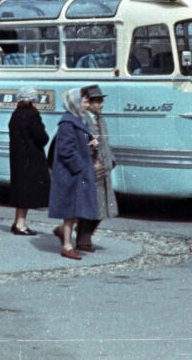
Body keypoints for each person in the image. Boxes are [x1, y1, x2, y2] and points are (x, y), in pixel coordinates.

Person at [48, 88, 99, 260]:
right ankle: (67, 246)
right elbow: (66, 150)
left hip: (77, 173)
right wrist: (80, 166)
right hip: (71, 175)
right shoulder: (67, 123)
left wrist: (90, 145)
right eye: (84, 102)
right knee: (71, 212)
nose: (86, 105)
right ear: (75, 103)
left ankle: (65, 236)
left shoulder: (77, 120)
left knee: (76, 210)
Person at [78, 84, 118, 252]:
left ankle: (84, 235)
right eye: (98, 101)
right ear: (89, 103)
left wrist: (112, 159)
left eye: (102, 101)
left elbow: (105, 144)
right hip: (91, 171)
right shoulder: (83, 121)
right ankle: (83, 240)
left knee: (102, 207)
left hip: (103, 169)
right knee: (92, 206)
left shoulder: (101, 120)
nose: (101, 105)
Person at [8, 86, 49, 235]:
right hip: (31, 160)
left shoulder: (15, 114)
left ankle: (17, 221)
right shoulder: (32, 116)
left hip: (17, 159)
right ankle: (20, 225)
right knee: (27, 192)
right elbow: (42, 138)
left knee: (20, 191)